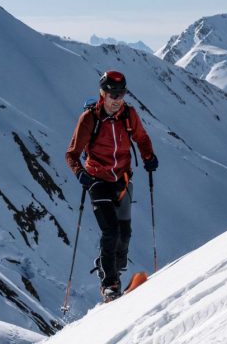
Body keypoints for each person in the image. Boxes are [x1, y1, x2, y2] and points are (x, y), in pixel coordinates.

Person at [65, 70, 159, 301]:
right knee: (111, 231)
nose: (117, 99)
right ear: (102, 93)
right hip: (97, 180)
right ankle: (109, 285)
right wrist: (80, 173)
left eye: (121, 93)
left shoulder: (129, 115)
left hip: (123, 179)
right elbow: (72, 154)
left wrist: (148, 156)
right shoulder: (90, 119)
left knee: (124, 235)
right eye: (112, 93)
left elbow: (142, 138)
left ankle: (110, 267)